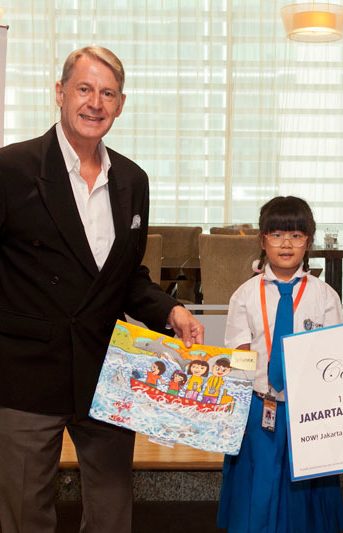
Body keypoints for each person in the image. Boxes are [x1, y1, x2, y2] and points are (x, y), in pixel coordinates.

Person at [0, 46, 205, 533]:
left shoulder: (132, 180)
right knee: (24, 514)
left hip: (108, 370)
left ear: (121, 104)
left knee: (112, 513)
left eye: (108, 93)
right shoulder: (11, 169)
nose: (95, 103)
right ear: (60, 93)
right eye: (84, 89)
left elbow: (124, 276)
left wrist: (171, 310)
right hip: (26, 373)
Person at [217, 196, 343, 533]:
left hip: (308, 410)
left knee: (305, 489)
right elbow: (239, 355)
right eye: (276, 235)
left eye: (296, 235)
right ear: (263, 241)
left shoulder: (324, 296)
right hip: (260, 406)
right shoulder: (244, 295)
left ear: (308, 241)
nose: (286, 244)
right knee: (260, 486)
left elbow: (333, 357)